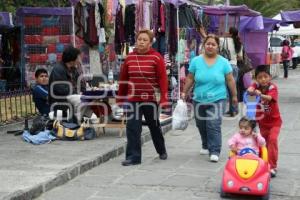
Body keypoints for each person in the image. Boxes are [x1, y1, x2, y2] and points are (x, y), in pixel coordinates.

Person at [182, 34, 238, 162]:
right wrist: (184, 92)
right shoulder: (196, 60)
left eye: (213, 44)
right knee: (201, 124)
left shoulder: (223, 62)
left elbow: (230, 80)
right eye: (208, 44)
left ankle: (215, 150)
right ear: (204, 45)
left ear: (217, 47)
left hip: (218, 98)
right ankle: (205, 144)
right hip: (199, 98)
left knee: (213, 123)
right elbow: (190, 78)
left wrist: (234, 95)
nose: (210, 46)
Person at [117, 29, 168, 166]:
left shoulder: (157, 57)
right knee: (133, 127)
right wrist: (120, 98)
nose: (141, 42)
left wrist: (163, 99)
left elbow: (163, 80)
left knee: (154, 126)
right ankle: (133, 157)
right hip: (133, 99)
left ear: (150, 43)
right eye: (139, 39)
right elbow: (123, 79)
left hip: (150, 99)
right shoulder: (129, 58)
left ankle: (161, 149)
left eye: (145, 40)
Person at [247, 65, 282, 177]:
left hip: (274, 122)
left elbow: (270, 98)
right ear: (256, 78)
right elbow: (250, 90)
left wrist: (260, 94)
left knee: (272, 140)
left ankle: (272, 166)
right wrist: (251, 90)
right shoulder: (256, 85)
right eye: (260, 77)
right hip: (262, 123)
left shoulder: (273, 88)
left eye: (265, 77)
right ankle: (264, 163)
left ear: (270, 77)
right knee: (263, 143)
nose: (263, 79)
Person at [48, 46, 84, 121]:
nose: (79, 61)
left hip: (70, 97)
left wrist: (84, 90)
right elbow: (61, 89)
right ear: (71, 60)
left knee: (87, 101)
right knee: (82, 102)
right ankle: (75, 124)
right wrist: (77, 92)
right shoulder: (58, 69)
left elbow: (80, 83)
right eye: (77, 58)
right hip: (60, 101)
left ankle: (81, 123)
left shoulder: (73, 69)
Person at [221, 27, 243, 117]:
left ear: (230, 33)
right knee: (233, 89)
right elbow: (240, 57)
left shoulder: (223, 40)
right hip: (234, 67)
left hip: (225, 66)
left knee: (224, 89)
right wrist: (233, 57)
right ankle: (233, 110)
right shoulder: (239, 43)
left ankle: (221, 109)